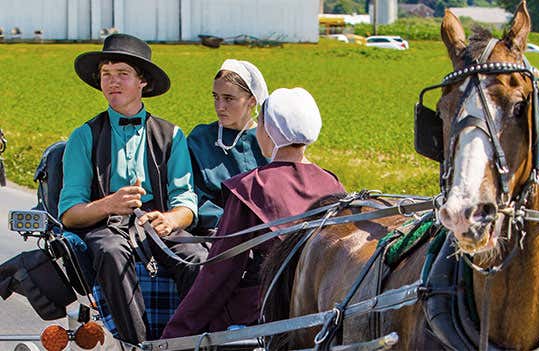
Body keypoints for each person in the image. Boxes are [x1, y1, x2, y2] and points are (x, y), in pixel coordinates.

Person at [59, 33, 208, 344]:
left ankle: (185, 340)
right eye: (106, 75)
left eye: (122, 74)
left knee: (195, 256)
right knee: (112, 252)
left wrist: (171, 219)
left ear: (143, 82)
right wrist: (109, 204)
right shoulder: (83, 137)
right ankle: (137, 343)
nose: (112, 82)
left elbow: (187, 203)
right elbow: (70, 214)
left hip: (157, 226)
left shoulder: (172, 135)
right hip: (106, 226)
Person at [162, 87, 346, 338]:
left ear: (269, 131)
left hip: (268, 307)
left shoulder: (252, 187)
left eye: (260, 122)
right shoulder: (332, 183)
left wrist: (176, 332)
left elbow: (220, 273)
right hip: (321, 307)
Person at [187, 59, 269, 234]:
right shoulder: (201, 139)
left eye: (229, 98)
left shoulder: (268, 140)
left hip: (266, 234)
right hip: (216, 235)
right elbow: (194, 197)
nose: (219, 106)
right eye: (215, 97)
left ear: (252, 101)